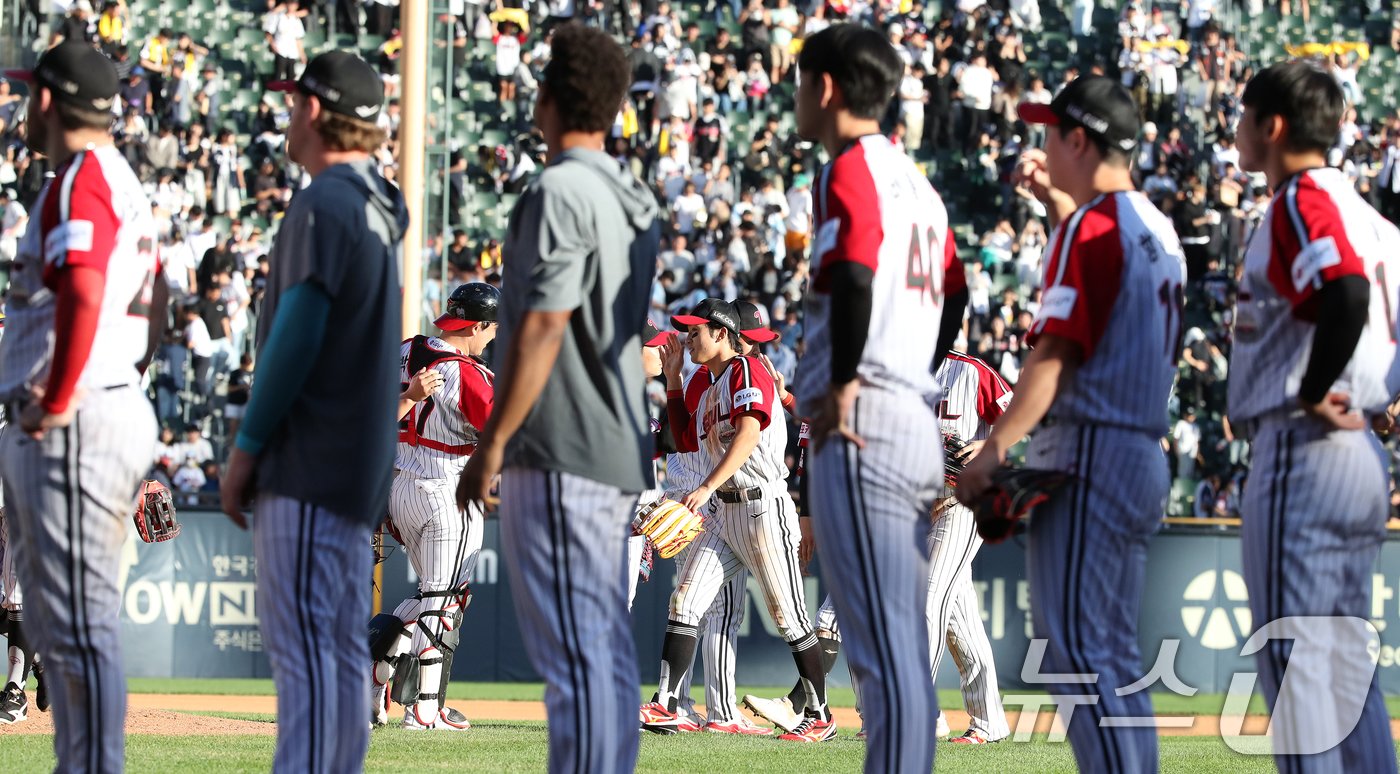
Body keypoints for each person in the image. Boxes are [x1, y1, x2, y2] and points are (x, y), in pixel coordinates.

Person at [958, 75, 1186, 773]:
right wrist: (1058, 206)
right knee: (1108, 652)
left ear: (1080, 141)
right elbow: (1102, 272)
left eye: (1053, 133)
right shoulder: (1156, 227)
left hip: (1090, 451)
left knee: (1081, 653)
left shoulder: (1092, 231)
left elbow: (1054, 354)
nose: (1045, 144)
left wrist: (995, 446)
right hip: (1136, 450)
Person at [454, 25, 658, 774]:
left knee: (573, 657)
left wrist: (493, 442)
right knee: (599, 650)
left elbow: (545, 324)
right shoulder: (635, 194)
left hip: (562, 441)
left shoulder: (559, 188)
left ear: (549, 97)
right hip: (616, 440)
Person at [219, 50, 408, 774]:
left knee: (306, 673)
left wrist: (247, 445)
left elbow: (297, 333)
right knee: (333, 667)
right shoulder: (377, 201)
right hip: (355, 468)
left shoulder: (326, 199)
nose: (288, 113)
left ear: (316, 110)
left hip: (311, 462)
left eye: (295, 101)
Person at [789, 24, 966, 773]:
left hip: (866, 419)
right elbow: (957, 294)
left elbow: (856, 271)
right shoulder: (918, 184)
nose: (797, 97)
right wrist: (912, 370)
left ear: (825, 87)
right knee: (891, 643)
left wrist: (846, 381)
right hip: (906, 414)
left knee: (881, 648)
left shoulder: (851, 168)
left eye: (801, 82)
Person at [1232, 61, 1399, 773]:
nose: (1237, 129)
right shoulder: (1377, 221)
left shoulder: (1301, 199)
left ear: (1272, 127)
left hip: (1306, 445)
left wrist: (1312, 387)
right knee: (1343, 671)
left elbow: (1346, 291)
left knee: (1296, 664)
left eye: (1244, 116)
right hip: (1359, 450)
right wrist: (1381, 394)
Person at [0, 42, 164, 770]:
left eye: (26, 93)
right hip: (102, 400)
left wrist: (61, 396)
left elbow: (87, 287)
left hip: (76, 417)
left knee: (75, 627)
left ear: (46, 100)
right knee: (65, 624)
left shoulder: (83, 179)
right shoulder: (113, 178)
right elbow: (155, 305)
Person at [644, 298, 829, 740]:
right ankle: (665, 704)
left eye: (696, 332)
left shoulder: (748, 369)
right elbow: (683, 439)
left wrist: (706, 486)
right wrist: (673, 381)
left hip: (763, 508)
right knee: (685, 601)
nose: (688, 339)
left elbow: (748, 432)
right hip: (724, 513)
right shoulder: (710, 385)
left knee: (789, 617)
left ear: (722, 334)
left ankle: (821, 716)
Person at [371, 282, 499, 731]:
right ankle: (424, 709)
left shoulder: (405, 351)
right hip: (448, 489)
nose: (492, 337)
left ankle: (375, 665)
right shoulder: (470, 374)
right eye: (491, 328)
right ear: (477, 325)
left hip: (401, 485)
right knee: (444, 601)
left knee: (432, 596)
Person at [926, 351, 1013, 744]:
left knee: (927, 601)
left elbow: (1020, 414)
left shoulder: (971, 371)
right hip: (921, 508)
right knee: (959, 622)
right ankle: (989, 721)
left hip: (964, 504)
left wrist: (990, 445)